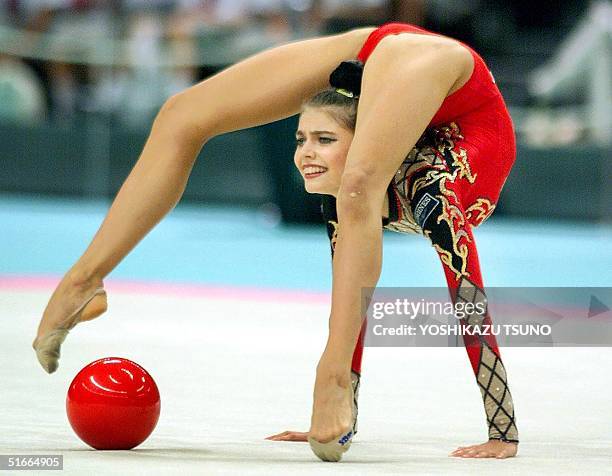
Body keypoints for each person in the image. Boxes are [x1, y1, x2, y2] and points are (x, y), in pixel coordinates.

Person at [33, 22, 518, 461]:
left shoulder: (434, 193)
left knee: (354, 188)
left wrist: (502, 429)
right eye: (301, 140)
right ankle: (83, 280)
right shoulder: (352, 180)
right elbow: (350, 271)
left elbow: (467, 291)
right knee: (182, 114)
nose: (306, 154)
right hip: (386, 51)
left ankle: (329, 381)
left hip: (447, 95)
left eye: (322, 141)